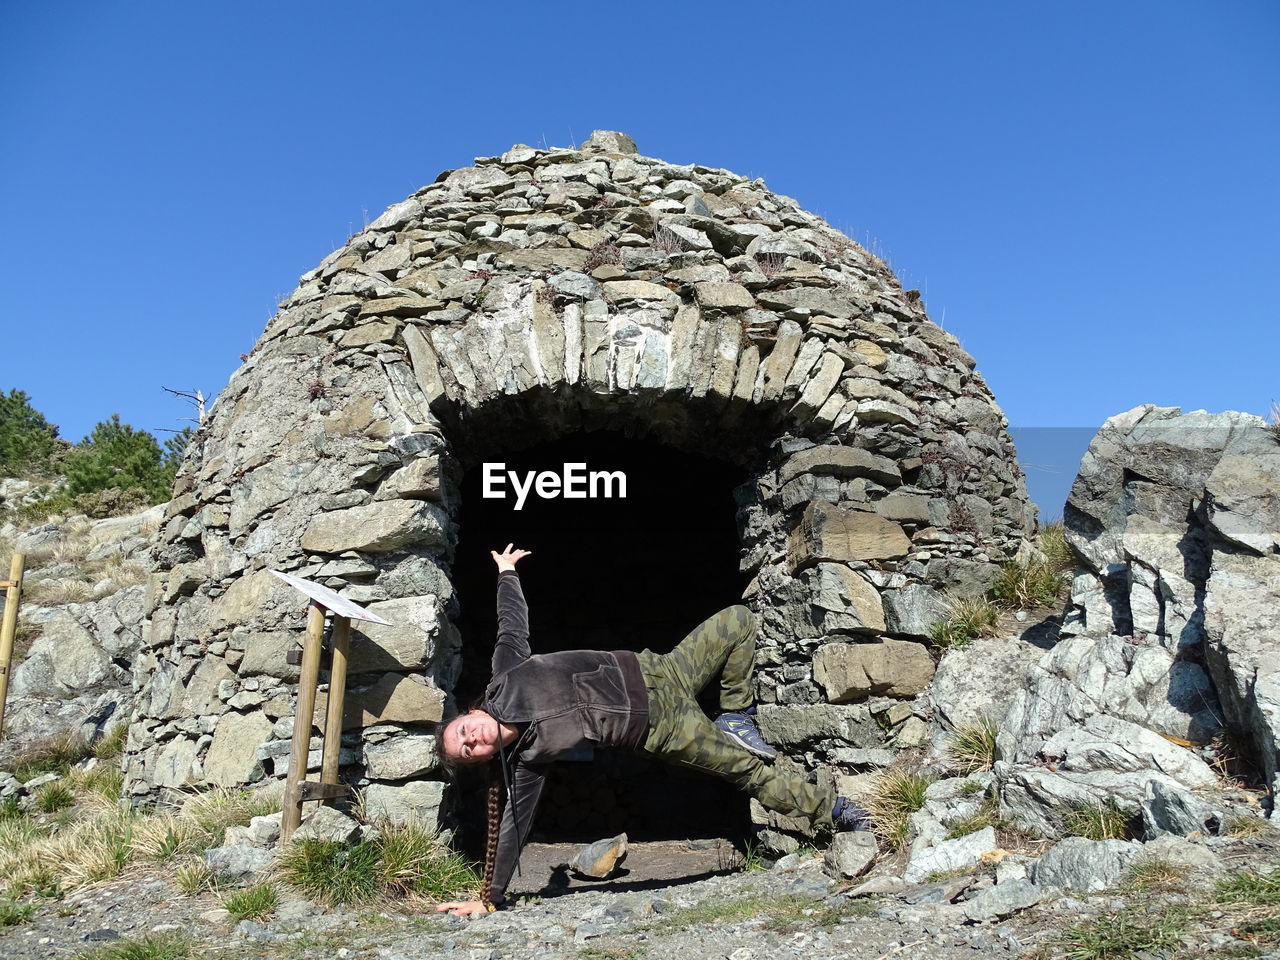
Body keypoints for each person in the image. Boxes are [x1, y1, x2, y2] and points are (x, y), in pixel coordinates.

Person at [435, 544, 868, 915]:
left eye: (463, 731)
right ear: (483, 759)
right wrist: (489, 898)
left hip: (662, 668)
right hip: (663, 727)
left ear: (470, 714)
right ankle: (836, 810)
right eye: (467, 750)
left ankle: (736, 715)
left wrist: (506, 572)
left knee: (737, 620)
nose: (471, 739)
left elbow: (512, 626)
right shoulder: (527, 762)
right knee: (748, 772)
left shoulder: (505, 676)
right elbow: (512, 827)